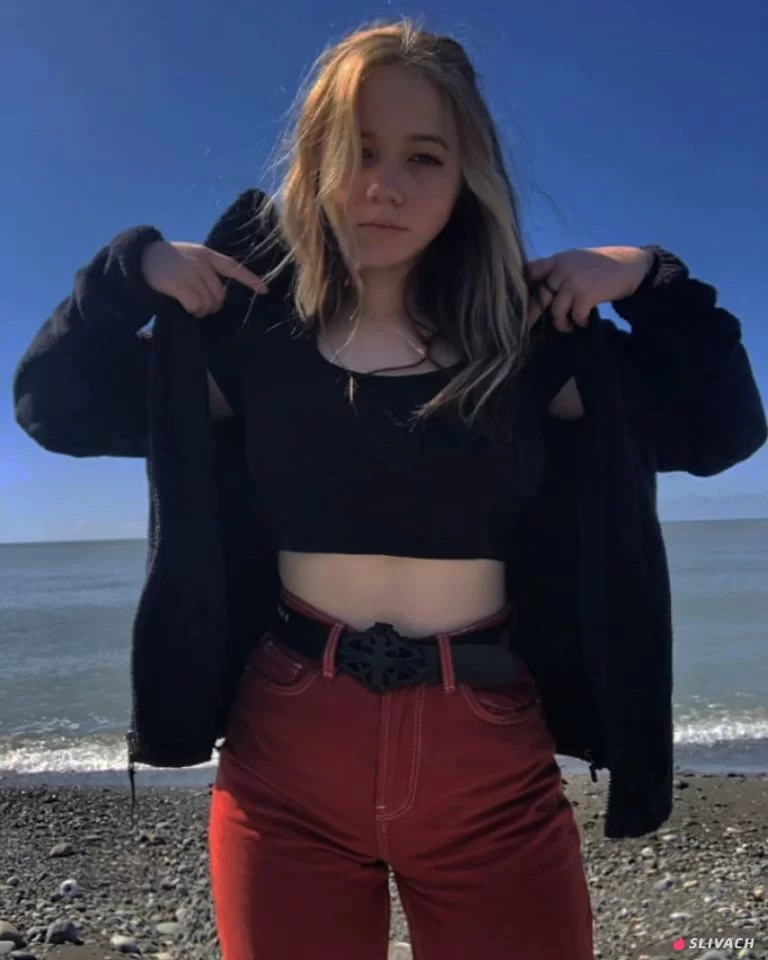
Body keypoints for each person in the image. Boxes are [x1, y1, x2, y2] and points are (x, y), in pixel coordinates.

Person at [12, 16, 766, 960]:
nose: (386, 185)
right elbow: (55, 404)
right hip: (287, 753)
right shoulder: (251, 340)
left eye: (424, 158)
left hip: (488, 760)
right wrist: (131, 270)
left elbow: (721, 428)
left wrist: (653, 279)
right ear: (315, 161)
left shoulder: (526, 343)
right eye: (360, 150)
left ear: (467, 177)